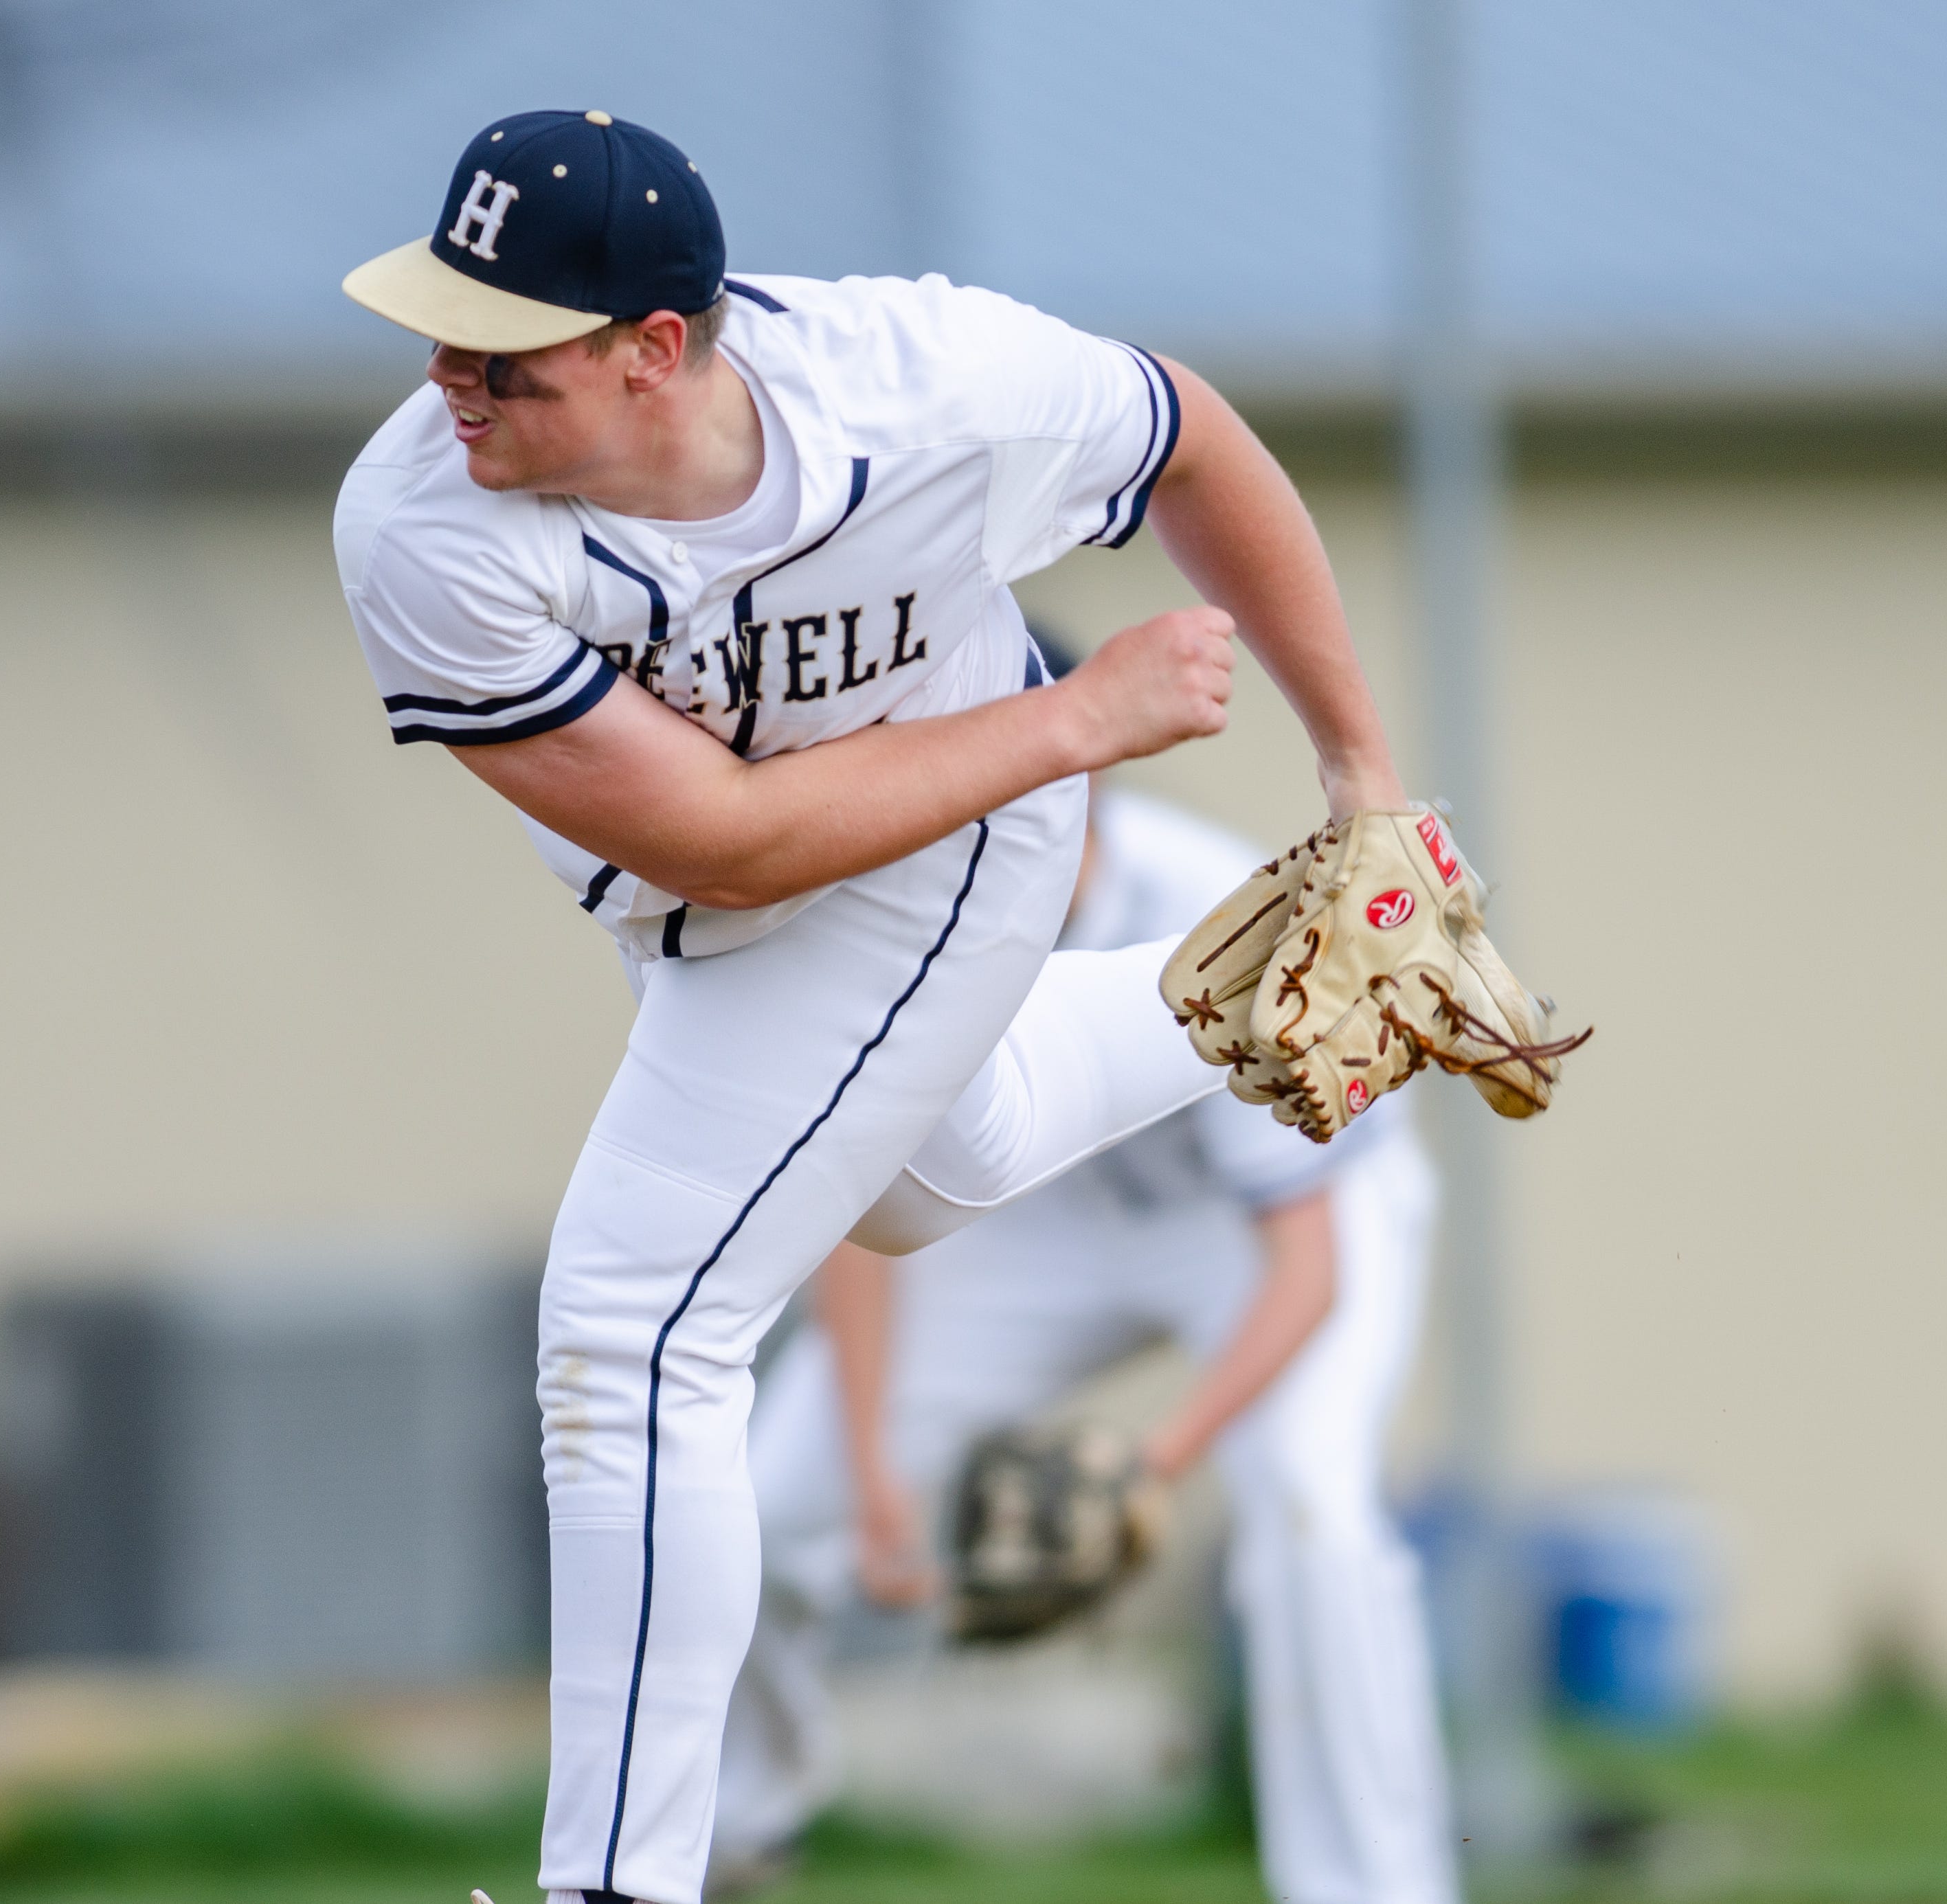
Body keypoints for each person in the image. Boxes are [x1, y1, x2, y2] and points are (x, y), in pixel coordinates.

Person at [335, 109, 1417, 1904]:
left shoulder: (924, 385)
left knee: (633, 1325)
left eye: (505, 345)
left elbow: (1195, 439)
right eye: (442, 319)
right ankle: (1277, 978)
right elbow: (731, 845)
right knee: (932, 1172)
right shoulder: (423, 529)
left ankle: (621, 1880)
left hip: (959, 840)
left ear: (655, 348)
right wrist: (1083, 714)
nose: (450, 371)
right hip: (741, 884)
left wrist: (1362, 775)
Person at [713, 781, 1458, 1904]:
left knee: (1313, 1507)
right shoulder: (902, 907)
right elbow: (862, 1216)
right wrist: (873, 1476)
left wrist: (1148, 1468)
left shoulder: (1229, 914)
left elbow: (1310, 1269)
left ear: (1083, 796)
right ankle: (723, 1844)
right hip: (1054, 1210)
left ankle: (1373, 1891)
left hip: (1269, 1226)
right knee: (774, 1500)